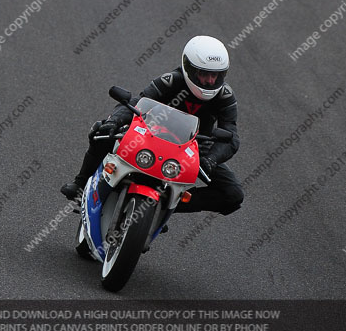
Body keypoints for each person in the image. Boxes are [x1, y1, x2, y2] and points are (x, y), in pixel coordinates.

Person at [61, 35, 244, 217]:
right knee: (100, 131)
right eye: (204, 74)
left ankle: (164, 206)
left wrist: (211, 159)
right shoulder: (171, 80)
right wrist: (113, 122)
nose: (210, 81)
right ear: (189, 69)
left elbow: (231, 136)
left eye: (215, 75)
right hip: (151, 135)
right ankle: (81, 183)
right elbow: (139, 101)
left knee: (233, 195)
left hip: (194, 151)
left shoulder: (225, 96)